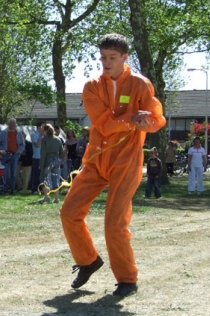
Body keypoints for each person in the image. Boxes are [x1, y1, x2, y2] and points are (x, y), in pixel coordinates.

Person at [60, 33, 166, 297]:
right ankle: (88, 261)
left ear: (124, 57)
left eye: (112, 58)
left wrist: (147, 122)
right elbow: (104, 125)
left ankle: (127, 279)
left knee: (114, 222)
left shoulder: (141, 85)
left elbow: (157, 118)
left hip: (127, 159)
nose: (106, 62)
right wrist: (132, 118)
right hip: (96, 159)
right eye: (103, 57)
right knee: (69, 212)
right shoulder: (92, 86)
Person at [0, 118, 25, 194]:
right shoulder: (4, 132)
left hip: (15, 155)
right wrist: (1, 151)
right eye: (11, 123)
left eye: (14, 123)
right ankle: (3, 188)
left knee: (13, 173)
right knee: (4, 172)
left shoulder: (18, 133)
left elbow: (22, 145)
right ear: (8, 124)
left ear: (15, 124)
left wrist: (18, 151)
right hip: (5, 154)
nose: (12, 125)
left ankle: (12, 189)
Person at [38, 124, 64, 204]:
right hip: (56, 159)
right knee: (55, 178)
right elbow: (62, 152)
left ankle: (46, 196)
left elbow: (43, 153)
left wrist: (41, 164)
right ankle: (56, 198)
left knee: (43, 178)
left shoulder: (44, 139)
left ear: (45, 131)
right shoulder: (58, 139)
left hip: (48, 160)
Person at [30, 121, 45, 194]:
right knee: (35, 173)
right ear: (38, 127)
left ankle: (41, 188)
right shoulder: (34, 135)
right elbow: (37, 144)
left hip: (43, 157)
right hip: (36, 157)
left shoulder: (45, 136)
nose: (43, 128)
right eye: (42, 126)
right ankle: (34, 189)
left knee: (42, 174)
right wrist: (41, 136)